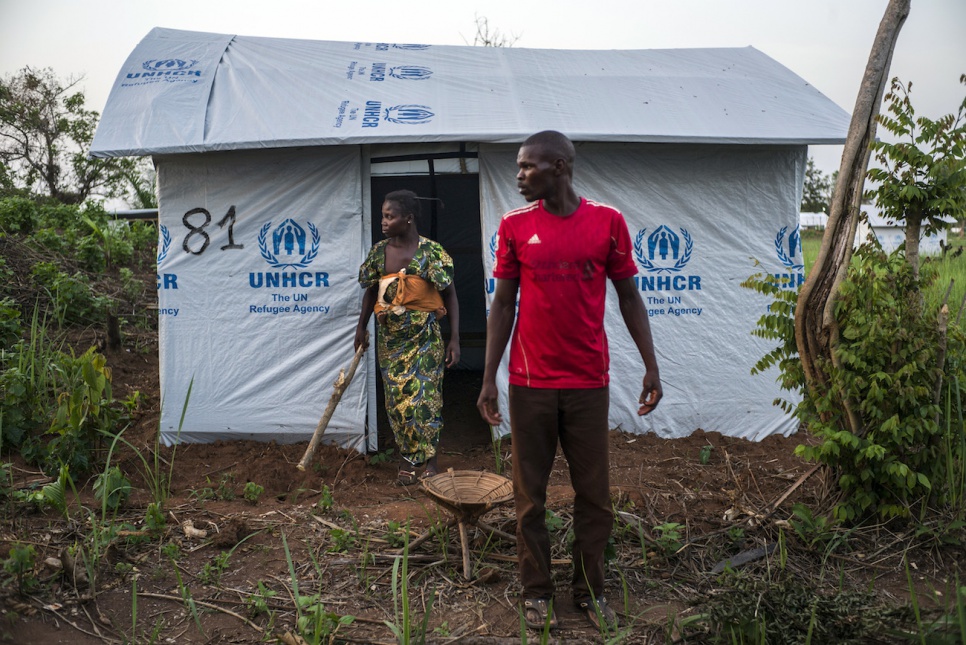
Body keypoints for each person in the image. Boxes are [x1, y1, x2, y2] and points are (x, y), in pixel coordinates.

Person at [476, 131, 662, 631]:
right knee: (529, 496)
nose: (518, 176)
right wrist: (489, 377)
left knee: (594, 496)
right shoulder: (515, 226)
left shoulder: (607, 222)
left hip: (587, 383)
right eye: (517, 167)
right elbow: (503, 304)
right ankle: (536, 592)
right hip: (530, 383)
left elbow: (628, 297)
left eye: (527, 167)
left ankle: (590, 591)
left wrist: (651, 363)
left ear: (559, 167)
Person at [356, 190, 460, 486]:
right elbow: (369, 291)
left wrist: (455, 338)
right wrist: (360, 327)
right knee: (398, 401)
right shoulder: (379, 252)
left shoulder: (432, 253)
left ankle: (431, 461)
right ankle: (406, 459)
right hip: (392, 340)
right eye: (383, 216)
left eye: (390, 216)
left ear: (408, 218)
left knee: (428, 398)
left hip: (426, 337)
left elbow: (450, 295)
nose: (383, 222)